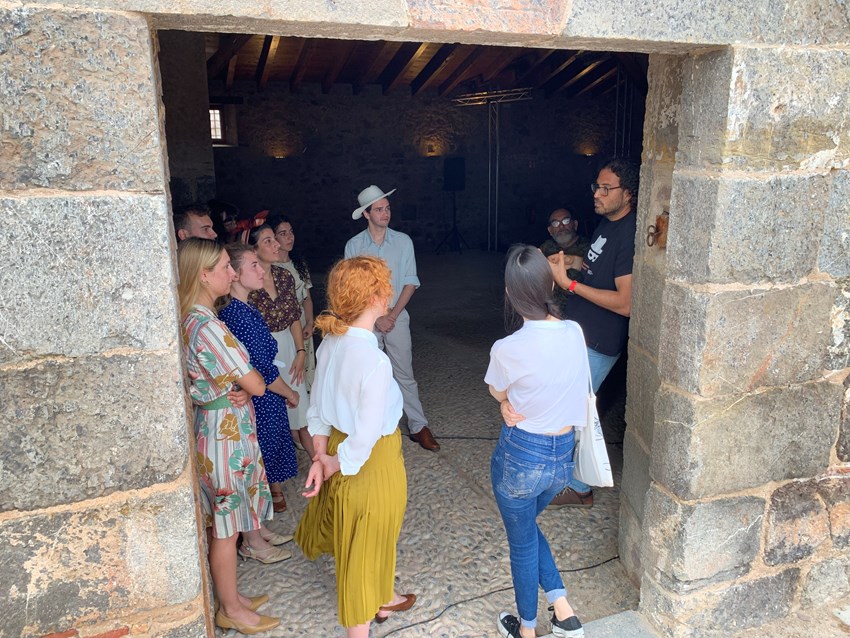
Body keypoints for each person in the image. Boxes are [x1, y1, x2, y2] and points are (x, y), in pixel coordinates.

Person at [295, 256, 416, 638]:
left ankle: (385, 596)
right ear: (377, 298)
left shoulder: (330, 342)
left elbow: (318, 405)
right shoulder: (375, 362)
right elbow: (365, 436)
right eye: (386, 288)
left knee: (366, 535)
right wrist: (334, 462)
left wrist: (321, 454)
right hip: (371, 458)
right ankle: (364, 622)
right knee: (369, 539)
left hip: (335, 442)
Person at [177, 238, 285, 635]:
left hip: (222, 425)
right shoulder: (206, 325)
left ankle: (233, 597)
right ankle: (230, 609)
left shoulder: (196, 317)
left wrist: (239, 387)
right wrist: (246, 387)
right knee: (226, 530)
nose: (231, 272)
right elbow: (256, 382)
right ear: (204, 275)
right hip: (225, 435)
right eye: (225, 266)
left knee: (229, 524)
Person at [486, 245, 588, 638]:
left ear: (509, 295)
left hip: (522, 456)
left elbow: (497, 391)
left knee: (522, 542)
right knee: (526, 528)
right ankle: (564, 612)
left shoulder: (506, 348)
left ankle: (527, 631)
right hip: (562, 460)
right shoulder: (574, 332)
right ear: (551, 286)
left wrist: (505, 403)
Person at [547, 158, 638, 509]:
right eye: (595, 187)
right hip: (581, 333)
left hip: (598, 341)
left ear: (627, 193)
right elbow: (593, 267)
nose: (597, 194)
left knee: (575, 411)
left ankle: (579, 486)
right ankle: (569, 479)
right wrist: (570, 264)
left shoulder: (628, 235)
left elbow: (625, 303)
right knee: (569, 407)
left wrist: (568, 284)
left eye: (605, 188)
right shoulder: (606, 224)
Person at [344, 185, 439, 452]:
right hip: (366, 321)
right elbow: (351, 289)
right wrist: (375, 319)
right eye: (379, 210)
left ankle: (418, 426)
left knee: (404, 373)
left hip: (397, 317)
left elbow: (410, 281)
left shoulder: (403, 241)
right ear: (366, 214)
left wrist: (392, 315)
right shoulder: (354, 246)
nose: (385, 213)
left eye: (387, 208)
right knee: (367, 376)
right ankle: (370, 430)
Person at [219, 243, 301, 529]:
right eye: (253, 265)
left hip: (264, 396)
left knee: (265, 460)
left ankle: (258, 528)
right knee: (260, 461)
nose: (261, 270)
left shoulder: (244, 308)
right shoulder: (237, 315)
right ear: (235, 274)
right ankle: (255, 530)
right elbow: (261, 369)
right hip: (260, 399)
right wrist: (290, 392)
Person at [247, 224, 315, 473]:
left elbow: (294, 316)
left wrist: (301, 352)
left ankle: (318, 461)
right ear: (254, 250)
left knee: (301, 410)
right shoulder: (246, 284)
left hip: (288, 345)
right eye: (268, 241)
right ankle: (273, 476)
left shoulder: (284, 276)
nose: (276, 244)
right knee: (270, 416)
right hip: (262, 351)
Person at [269, 214, 317, 390]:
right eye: (283, 234)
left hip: (302, 322)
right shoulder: (270, 268)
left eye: (291, 232)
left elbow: (307, 298)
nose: (289, 237)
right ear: (273, 238)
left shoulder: (298, 264)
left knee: (307, 369)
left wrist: (310, 323)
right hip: (283, 325)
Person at [539, 207, 590, 320]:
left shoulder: (589, 249)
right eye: (555, 223)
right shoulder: (546, 248)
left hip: (580, 313)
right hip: (548, 314)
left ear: (575, 224)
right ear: (550, 230)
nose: (561, 227)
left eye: (566, 221)